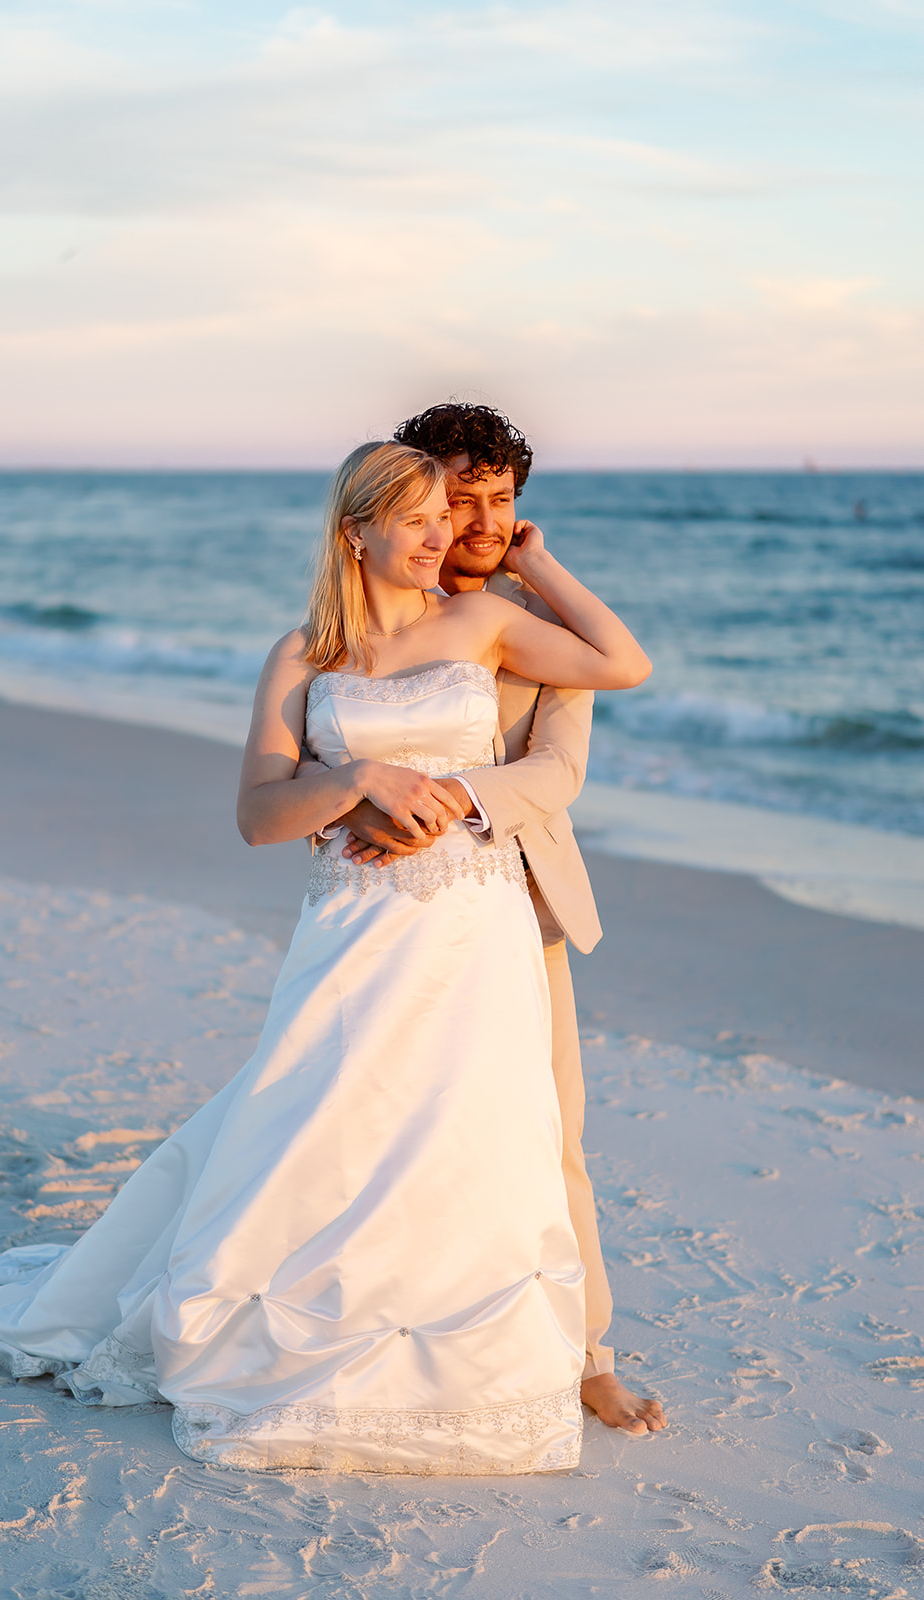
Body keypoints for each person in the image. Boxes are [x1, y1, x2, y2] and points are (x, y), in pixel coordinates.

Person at [0, 440, 652, 1474]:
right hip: (353, 927)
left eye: (451, 515)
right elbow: (256, 815)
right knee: (322, 1119)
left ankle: (550, 1350)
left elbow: (619, 666)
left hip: (477, 923)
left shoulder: (492, 622)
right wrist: (356, 775)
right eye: (418, 517)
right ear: (353, 530)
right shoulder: (299, 656)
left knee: (479, 1135)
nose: (444, 535)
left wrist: (535, 560)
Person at [316, 403, 666, 1437]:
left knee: (548, 1133)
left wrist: (539, 565)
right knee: (375, 1125)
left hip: (513, 905)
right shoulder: (377, 608)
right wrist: (355, 793)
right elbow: (323, 725)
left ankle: (587, 1352)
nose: (472, 518)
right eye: (455, 495)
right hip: (391, 917)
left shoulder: (531, 617)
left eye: (497, 499)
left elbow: (556, 770)